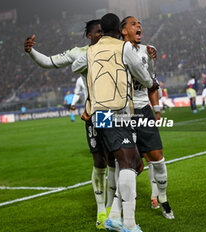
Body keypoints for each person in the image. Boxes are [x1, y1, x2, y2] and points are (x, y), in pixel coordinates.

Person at [25, 20, 117, 230]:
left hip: (114, 110)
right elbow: (48, 62)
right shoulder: (79, 53)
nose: (101, 35)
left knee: (114, 159)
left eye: (103, 31)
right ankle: (101, 210)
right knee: (100, 161)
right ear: (89, 35)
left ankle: (113, 208)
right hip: (95, 113)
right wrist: (31, 51)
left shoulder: (114, 48)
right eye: (97, 32)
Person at [72, 13, 159, 232]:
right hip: (117, 110)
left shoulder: (91, 51)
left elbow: (75, 67)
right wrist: (149, 80)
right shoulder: (124, 48)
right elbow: (142, 75)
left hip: (99, 113)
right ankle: (127, 224)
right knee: (129, 162)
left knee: (128, 162)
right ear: (118, 30)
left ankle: (113, 214)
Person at [116, 15, 174, 220]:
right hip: (121, 113)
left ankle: (163, 199)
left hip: (142, 110)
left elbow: (152, 83)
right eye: (133, 24)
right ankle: (115, 206)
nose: (138, 26)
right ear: (123, 31)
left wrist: (156, 110)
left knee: (157, 159)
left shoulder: (147, 50)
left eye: (139, 24)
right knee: (126, 164)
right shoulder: (117, 50)